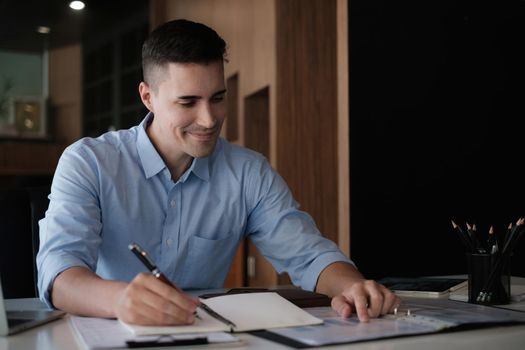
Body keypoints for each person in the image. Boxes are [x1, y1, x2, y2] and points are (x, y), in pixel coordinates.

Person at [37, 19, 399, 326]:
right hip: (108, 333)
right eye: (188, 102)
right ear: (148, 97)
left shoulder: (249, 171)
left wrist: (352, 285)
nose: (209, 120)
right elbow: (59, 275)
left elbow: (309, 255)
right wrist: (119, 301)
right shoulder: (88, 162)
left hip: (209, 336)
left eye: (218, 97)